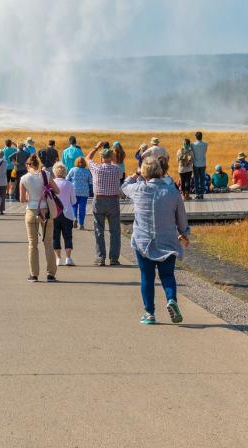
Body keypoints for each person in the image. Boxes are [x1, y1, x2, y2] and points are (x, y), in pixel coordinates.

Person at [121, 155, 190, 325]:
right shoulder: (172, 192)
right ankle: (171, 299)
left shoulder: (138, 189)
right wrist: (184, 232)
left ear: (144, 172)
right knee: (167, 275)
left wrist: (136, 174)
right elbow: (181, 217)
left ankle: (149, 313)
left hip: (143, 241)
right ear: (160, 171)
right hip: (167, 239)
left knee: (147, 276)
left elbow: (124, 186)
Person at [19, 154, 58, 282]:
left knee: (32, 244)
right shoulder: (46, 174)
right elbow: (57, 190)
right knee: (48, 243)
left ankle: (34, 274)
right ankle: (51, 274)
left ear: (29, 165)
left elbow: (22, 199)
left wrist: (32, 196)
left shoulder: (24, 178)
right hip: (46, 211)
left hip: (31, 211)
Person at [88, 146, 124, 266]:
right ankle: (114, 258)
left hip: (99, 201)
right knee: (115, 231)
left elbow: (87, 158)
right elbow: (117, 166)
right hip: (113, 201)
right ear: (111, 157)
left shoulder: (96, 169)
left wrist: (96, 147)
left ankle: (100, 257)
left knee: (99, 230)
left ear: (101, 158)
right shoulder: (117, 169)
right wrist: (114, 158)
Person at [51, 163, 77, 266]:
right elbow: (74, 201)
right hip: (67, 213)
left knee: (55, 236)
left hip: (54, 213)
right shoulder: (69, 184)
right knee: (68, 236)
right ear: (65, 172)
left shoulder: (51, 184)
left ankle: (58, 258)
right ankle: (68, 258)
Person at [66, 156, 92, 229]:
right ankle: (81, 224)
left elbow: (67, 179)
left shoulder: (73, 170)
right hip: (84, 192)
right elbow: (90, 182)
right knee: (82, 208)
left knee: (74, 206)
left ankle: (74, 218)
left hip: (74, 191)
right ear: (84, 163)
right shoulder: (87, 171)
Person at [191, 131, 209, 199]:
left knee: (196, 179)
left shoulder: (193, 144)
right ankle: (201, 194)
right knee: (202, 179)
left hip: (195, 163)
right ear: (202, 136)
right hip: (203, 163)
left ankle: (197, 194)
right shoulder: (205, 144)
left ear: (196, 137)